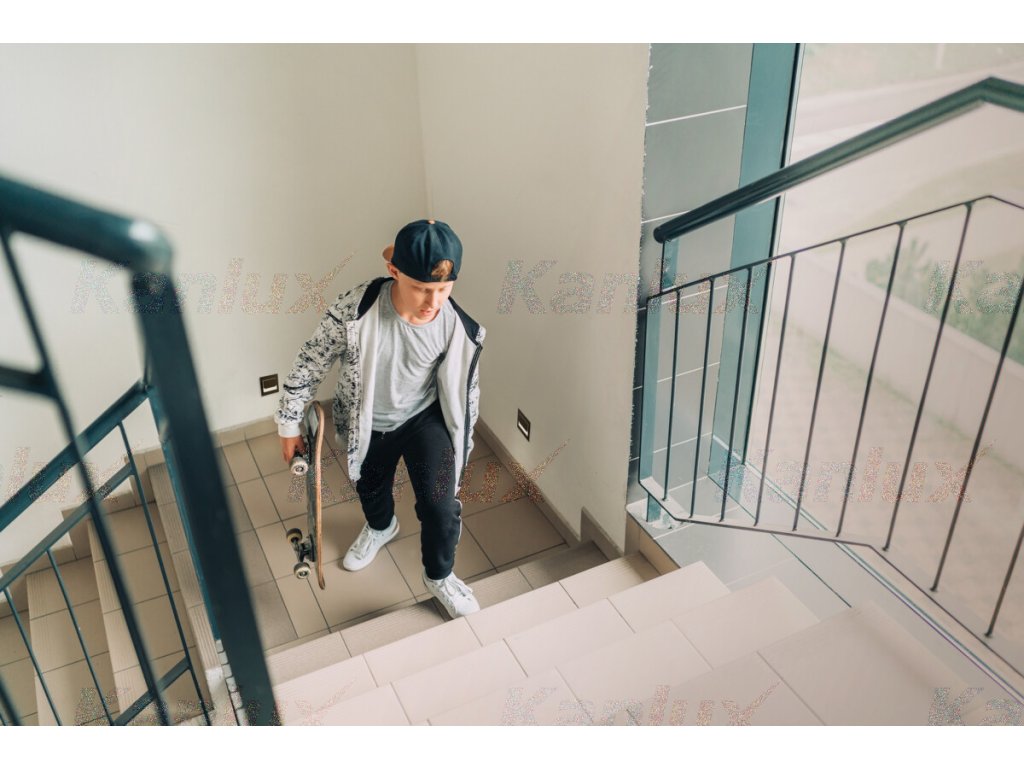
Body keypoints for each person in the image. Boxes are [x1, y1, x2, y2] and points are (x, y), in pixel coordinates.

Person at [274, 219, 485, 618]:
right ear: (394, 271)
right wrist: (288, 424)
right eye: (422, 288)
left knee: (441, 507)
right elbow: (311, 362)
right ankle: (381, 527)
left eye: (444, 289)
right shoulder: (354, 311)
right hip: (367, 422)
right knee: (371, 490)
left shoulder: (458, 328)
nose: (434, 301)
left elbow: (467, 394)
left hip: (424, 418)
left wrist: (461, 447)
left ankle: (440, 577)